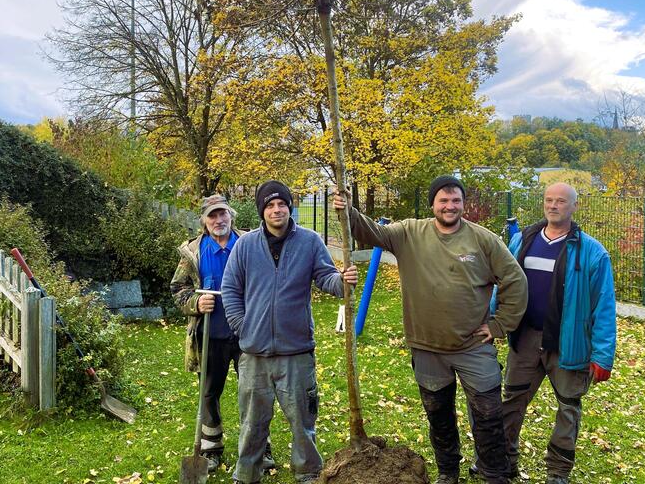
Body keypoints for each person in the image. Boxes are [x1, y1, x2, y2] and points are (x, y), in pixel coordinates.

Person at [333, 175, 528, 484]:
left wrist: (500, 324)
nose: (450, 206)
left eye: (456, 200)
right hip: (427, 348)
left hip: (473, 348)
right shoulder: (409, 232)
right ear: (433, 204)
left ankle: (494, 473)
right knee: (439, 416)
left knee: (489, 415)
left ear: (463, 204)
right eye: (444, 200)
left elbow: (515, 280)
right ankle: (448, 472)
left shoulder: (483, 239)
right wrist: (348, 211)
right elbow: (371, 233)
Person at [222, 180, 358, 484]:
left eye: (281, 204)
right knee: (251, 423)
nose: (276, 210)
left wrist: (343, 282)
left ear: (289, 207)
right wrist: (243, 327)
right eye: (270, 205)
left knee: (302, 422)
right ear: (262, 211)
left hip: (296, 352)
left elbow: (326, 278)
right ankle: (246, 474)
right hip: (254, 354)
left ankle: (307, 474)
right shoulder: (245, 246)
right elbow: (230, 289)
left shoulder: (309, 242)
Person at [500, 183, 616, 484]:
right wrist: (493, 321)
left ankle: (558, 472)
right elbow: (505, 283)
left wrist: (603, 355)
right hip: (524, 339)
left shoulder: (592, 252)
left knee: (568, 407)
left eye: (561, 201)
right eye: (549, 200)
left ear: (574, 207)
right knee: (511, 402)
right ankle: (503, 461)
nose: (554, 206)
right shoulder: (522, 240)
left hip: (568, 343)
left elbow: (603, 306)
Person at [170, 194, 274, 473]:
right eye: (212, 216)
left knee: (254, 392)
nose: (219, 220)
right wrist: (196, 302)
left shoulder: (251, 243)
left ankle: (259, 448)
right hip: (210, 336)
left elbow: (269, 281)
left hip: (248, 336)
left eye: (223, 214)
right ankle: (211, 449)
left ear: (232, 215)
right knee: (209, 394)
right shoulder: (194, 252)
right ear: (204, 221)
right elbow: (178, 289)